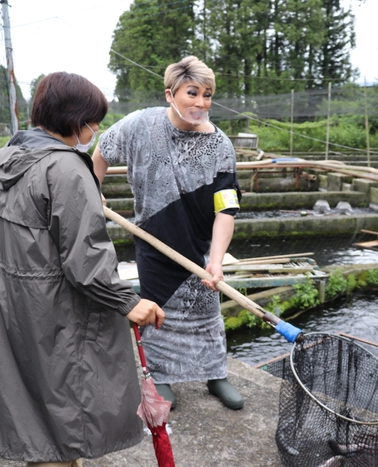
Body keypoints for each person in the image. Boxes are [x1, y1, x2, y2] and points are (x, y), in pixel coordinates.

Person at [0, 72, 165, 467]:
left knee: (31, 412)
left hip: (4, 306)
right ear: (75, 120)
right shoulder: (67, 169)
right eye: (93, 122)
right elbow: (85, 259)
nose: (95, 130)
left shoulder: (11, 159)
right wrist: (128, 301)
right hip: (47, 313)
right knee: (61, 412)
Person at [92, 56, 243, 411]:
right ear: (170, 93)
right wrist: (92, 186)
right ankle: (160, 375)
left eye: (207, 95)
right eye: (193, 93)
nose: (201, 103)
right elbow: (101, 151)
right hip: (153, 236)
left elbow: (226, 207)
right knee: (157, 309)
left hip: (198, 242)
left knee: (207, 309)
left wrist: (217, 261)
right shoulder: (140, 125)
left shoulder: (220, 145)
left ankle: (215, 373)